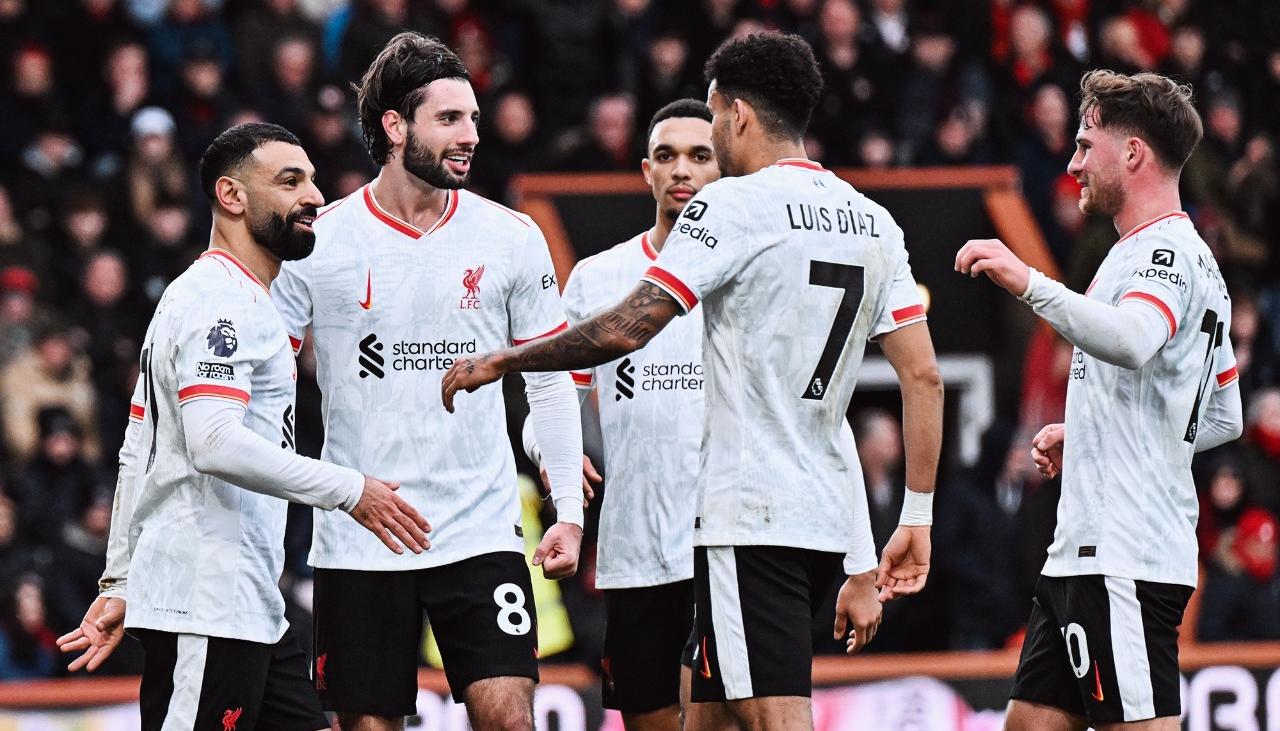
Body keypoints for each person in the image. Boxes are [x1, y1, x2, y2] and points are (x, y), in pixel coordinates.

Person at [442, 31, 943, 731]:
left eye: (710, 122)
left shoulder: (732, 207)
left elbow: (627, 329)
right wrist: (914, 515)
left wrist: (505, 360)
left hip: (746, 518)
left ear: (737, 114)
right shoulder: (873, 220)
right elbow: (923, 375)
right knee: (707, 719)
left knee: (774, 719)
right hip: (815, 520)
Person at [55, 123, 429, 730]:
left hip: (250, 605)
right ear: (231, 196)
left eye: (312, 180)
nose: (314, 197)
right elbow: (213, 442)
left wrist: (121, 578)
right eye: (289, 181)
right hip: (205, 602)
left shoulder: (227, 297)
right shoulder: (220, 301)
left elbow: (138, 448)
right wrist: (349, 490)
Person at [271, 32, 585, 731]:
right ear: (394, 126)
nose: (470, 134)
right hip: (362, 531)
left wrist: (567, 507)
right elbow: (269, 389)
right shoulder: (320, 241)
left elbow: (549, 379)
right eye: (448, 119)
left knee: (509, 719)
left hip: (479, 528)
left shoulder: (510, 237)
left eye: (473, 117)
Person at [956, 70, 1244, 730]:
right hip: (1085, 554)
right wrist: (1091, 431)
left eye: (1086, 145)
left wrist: (1029, 281)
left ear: (1133, 152)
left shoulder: (1162, 254)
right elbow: (1220, 415)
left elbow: (1134, 339)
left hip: (1124, 555)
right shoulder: (1176, 257)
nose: (1073, 163)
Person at [521, 98, 728, 731]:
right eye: (666, 155)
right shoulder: (600, 276)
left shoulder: (746, 277)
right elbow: (548, 403)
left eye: (699, 155)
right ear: (646, 171)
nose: (681, 169)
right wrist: (553, 454)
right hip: (635, 550)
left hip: (726, 547)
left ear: (724, 167)